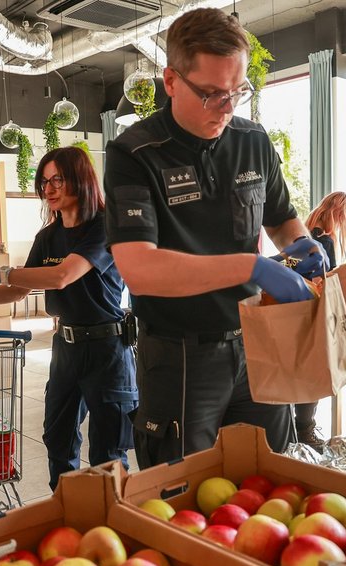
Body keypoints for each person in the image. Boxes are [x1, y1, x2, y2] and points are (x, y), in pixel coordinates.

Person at [103, 7, 327, 469]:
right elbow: (140, 270)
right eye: (210, 95)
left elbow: (282, 218)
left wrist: (301, 243)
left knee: (272, 474)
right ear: (170, 81)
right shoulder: (134, 153)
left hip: (258, 342)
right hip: (181, 354)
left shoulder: (252, 141)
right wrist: (250, 267)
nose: (226, 108)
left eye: (236, 93)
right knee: (183, 493)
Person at [0, 147, 136, 491]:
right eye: (44, 181)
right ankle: (64, 511)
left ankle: (114, 518)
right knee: (58, 438)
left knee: (108, 449)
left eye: (58, 179)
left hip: (107, 349)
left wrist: (3, 271)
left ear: (81, 180)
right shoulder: (47, 236)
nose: (49, 188)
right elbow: (16, 291)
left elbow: (61, 277)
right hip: (66, 349)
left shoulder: (104, 227)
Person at [291, 191, 346, 446]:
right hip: (313, 316)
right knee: (315, 376)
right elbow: (326, 284)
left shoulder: (303, 237)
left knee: (300, 374)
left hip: (294, 314)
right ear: (340, 215)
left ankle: (297, 429)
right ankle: (305, 431)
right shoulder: (324, 243)